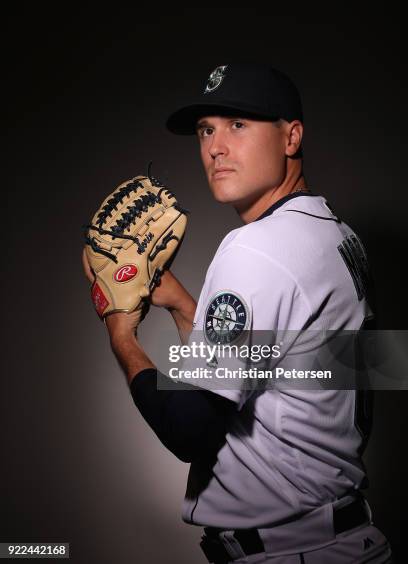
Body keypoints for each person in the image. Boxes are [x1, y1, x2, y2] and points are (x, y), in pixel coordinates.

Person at [83, 63, 393, 563]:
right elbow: (302, 372)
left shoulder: (256, 248)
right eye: (207, 129)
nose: (215, 147)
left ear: (291, 137)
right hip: (348, 539)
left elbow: (190, 431)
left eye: (239, 125)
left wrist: (120, 333)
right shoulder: (338, 237)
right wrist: (188, 306)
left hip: (290, 552)